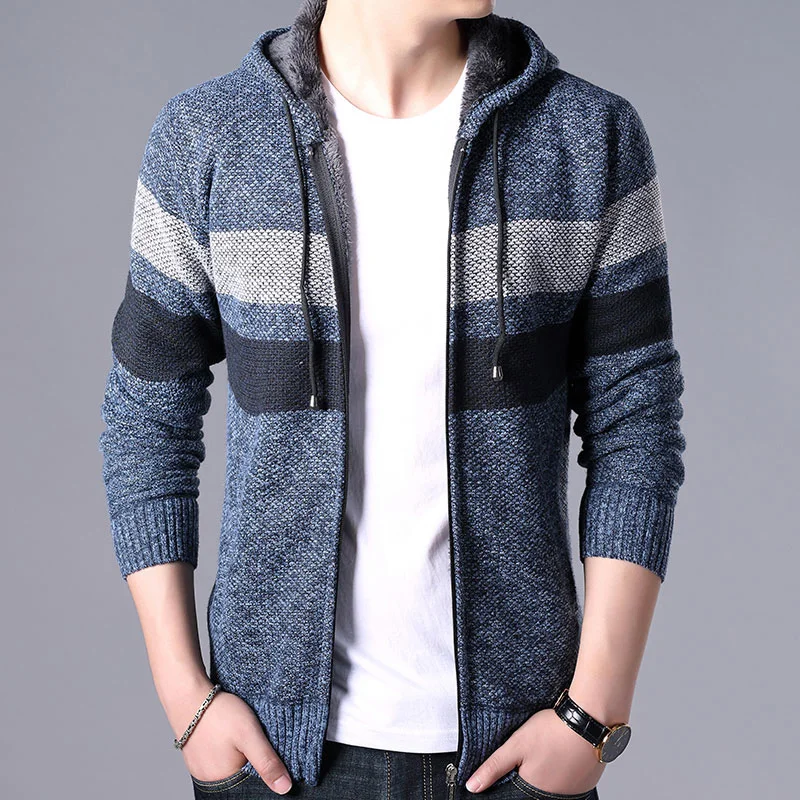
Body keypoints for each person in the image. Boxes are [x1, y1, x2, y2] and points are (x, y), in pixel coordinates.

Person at [98, 0, 687, 797]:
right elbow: (145, 420)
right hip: (277, 757)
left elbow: (637, 422)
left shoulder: (587, 137)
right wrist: (185, 698)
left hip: (516, 748)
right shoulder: (208, 138)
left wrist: (594, 714)